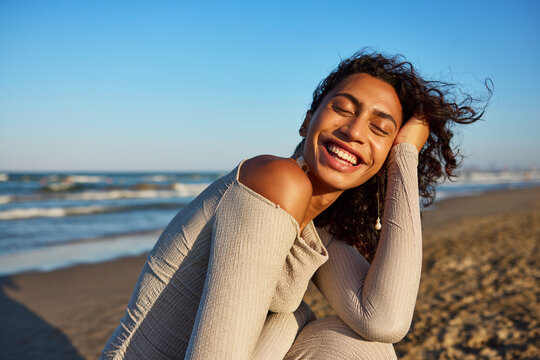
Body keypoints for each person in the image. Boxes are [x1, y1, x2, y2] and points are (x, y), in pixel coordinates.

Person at [101, 50, 489, 359]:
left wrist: (405, 156)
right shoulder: (274, 182)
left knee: (359, 348)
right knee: (295, 323)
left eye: (379, 128)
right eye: (343, 108)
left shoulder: (320, 228)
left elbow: (383, 320)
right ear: (307, 122)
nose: (354, 132)